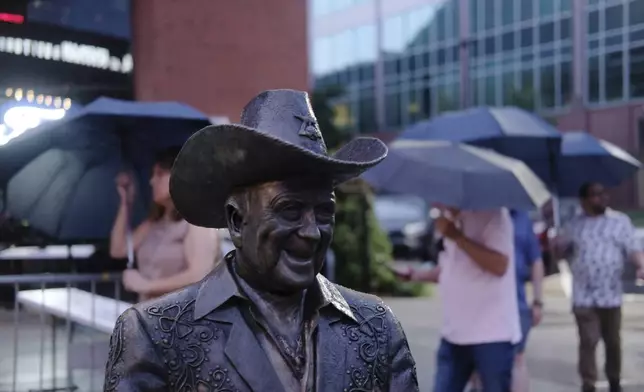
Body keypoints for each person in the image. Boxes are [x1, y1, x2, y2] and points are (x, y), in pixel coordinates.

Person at [103, 89, 419, 392]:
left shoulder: (378, 326)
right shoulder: (153, 335)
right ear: (237, 221)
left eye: (324, 212)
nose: (312, 232)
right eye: (290, 210)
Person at [394, 206, 521, 392]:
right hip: (454, 333)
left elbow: (500, 265)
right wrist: (416, 275)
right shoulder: (448, 221)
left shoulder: (494, 215)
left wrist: (458, 237)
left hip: (491, 335)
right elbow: (451, 269)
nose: (434, 203)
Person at [556, 182, 644, 392]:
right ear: (584, 200)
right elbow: (561, 250)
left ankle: (614, 379)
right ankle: (589, 383)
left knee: (612, 341)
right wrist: (557, 245)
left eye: (603, 193)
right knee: (588, 340)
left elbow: (633, 248)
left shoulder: (619, 222)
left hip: (610, 293)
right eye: (596, 195)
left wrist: (641, 266)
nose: (602, 198)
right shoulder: (574, 224)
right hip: (584, 294)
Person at [109, 147, 220, 302]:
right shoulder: (153, 224)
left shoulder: (196, 224)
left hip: (179, 317)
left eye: (160, 174)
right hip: (150, 316)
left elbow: (199, 274)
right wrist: (125, 203)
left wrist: (147, 285)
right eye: (152, 174)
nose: (152, 181)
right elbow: (118, 250)